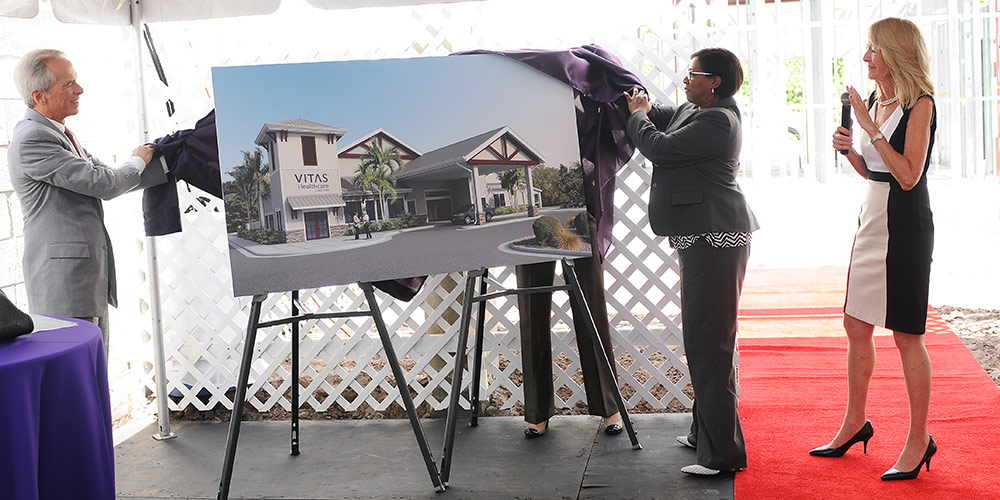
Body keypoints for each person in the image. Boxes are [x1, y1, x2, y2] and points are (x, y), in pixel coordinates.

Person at [812, 17, 938, 482]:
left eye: (873, 50)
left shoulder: (919, 103)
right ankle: (854, 422)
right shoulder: (876, 100)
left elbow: (908, 176)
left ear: (894, 54)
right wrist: (851, 150)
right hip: (872, 218)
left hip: (905, 225)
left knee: (906, 335)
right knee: (855, 322)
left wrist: (871, 127)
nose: (865, 57)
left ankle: (918, 437)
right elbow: (876, 173)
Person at [624, 47, 758, 476]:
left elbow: (658, 146)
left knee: (709, 343)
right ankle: (706, 435)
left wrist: (638, 118)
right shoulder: (697, 109)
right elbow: (660, 114)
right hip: (704, 240)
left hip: (716, 240)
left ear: (714, 80)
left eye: (692, 74)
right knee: (707, 339)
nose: (685, 79)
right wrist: (634, 102)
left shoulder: (719, 120)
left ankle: (723, 455)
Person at [8, 49, 158, 357]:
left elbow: (105, 174)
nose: (79, 90)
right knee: (75, 377)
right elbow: (104, 183)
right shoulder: (34, 138)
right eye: (69, 84)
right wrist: (138, 161)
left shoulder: (59, 133)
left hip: (83, 280)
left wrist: (158, 164)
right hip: (64, 284)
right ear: (40, 96)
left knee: (91, 372)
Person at [518, 213, 624, 439]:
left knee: (591, 305)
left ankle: (609, 406)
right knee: (531, 307)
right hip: (531, 217)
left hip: (582, 205)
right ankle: (537, 410)